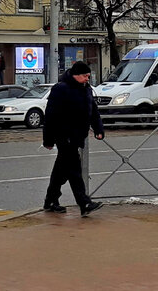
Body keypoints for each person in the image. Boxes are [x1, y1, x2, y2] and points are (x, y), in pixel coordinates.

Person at [41, 60, 105, 217]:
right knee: (74, 170)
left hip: (77, 136)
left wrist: (98, 128)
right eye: (85, 76)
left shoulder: (86, 89)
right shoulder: (61, 89)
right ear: (76, 75)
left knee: (61, 171)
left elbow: (93, 111)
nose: (87, 79)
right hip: (63, 136)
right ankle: (84, 203)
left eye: (89, 76)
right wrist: (48, 140)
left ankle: (50, 200)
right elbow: (50, 116)